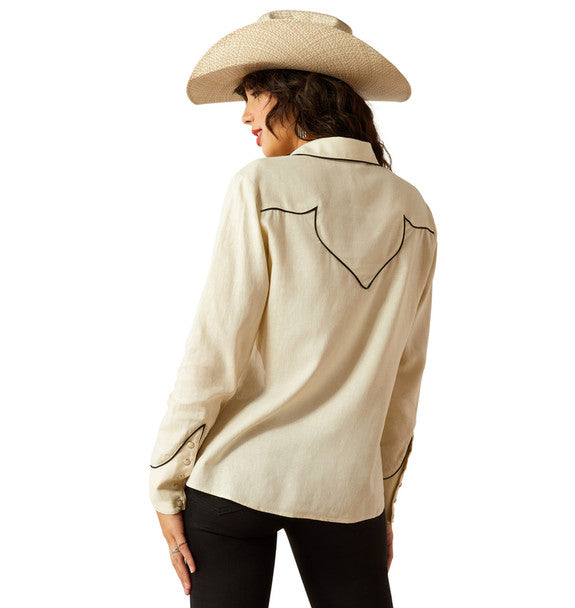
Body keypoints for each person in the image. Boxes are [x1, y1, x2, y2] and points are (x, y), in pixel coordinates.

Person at [148, 10, 438, 608]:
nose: (245, 117)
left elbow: (214, 351)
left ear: (294, 94)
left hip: (236, 478)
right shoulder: (414, 210)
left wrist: (165, 481)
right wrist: (382, 499)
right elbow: (404, 377)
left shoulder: (261, 186)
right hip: (347, 491)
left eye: (253, 96)